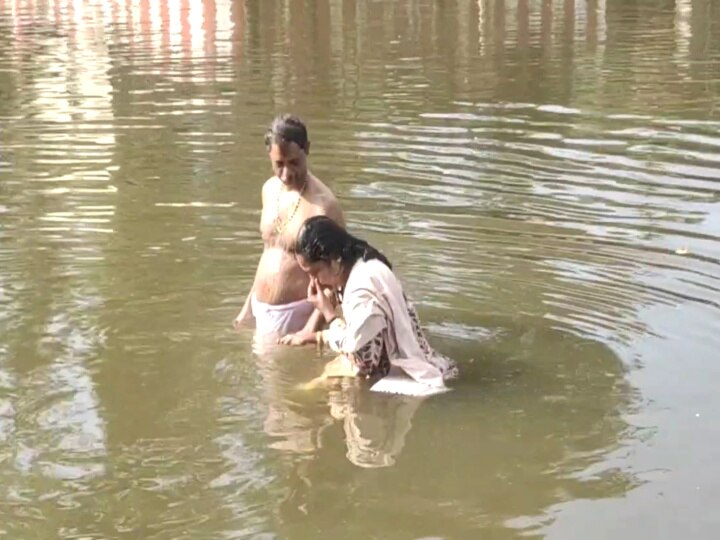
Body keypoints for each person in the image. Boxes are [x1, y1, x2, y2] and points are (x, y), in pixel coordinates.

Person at [281, 216, 458, 391]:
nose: (314, 281)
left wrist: (329, 314)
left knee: (331, 400)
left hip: (403, 382)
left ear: (334, 260)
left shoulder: (360, 289)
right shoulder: (367, 263)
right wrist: (317, 336)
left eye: (315, 272)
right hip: (427, 362)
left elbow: (364, 359)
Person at [233, 115, 345, 340]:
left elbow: (337, 279)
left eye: (294, 162)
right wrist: (247, 310)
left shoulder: (324, 206)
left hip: (299, 315)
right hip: (260, 309)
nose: (286, 174)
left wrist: (309, 331)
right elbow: (267, 251)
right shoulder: (269, 189)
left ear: (307, 150)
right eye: (279, 164)